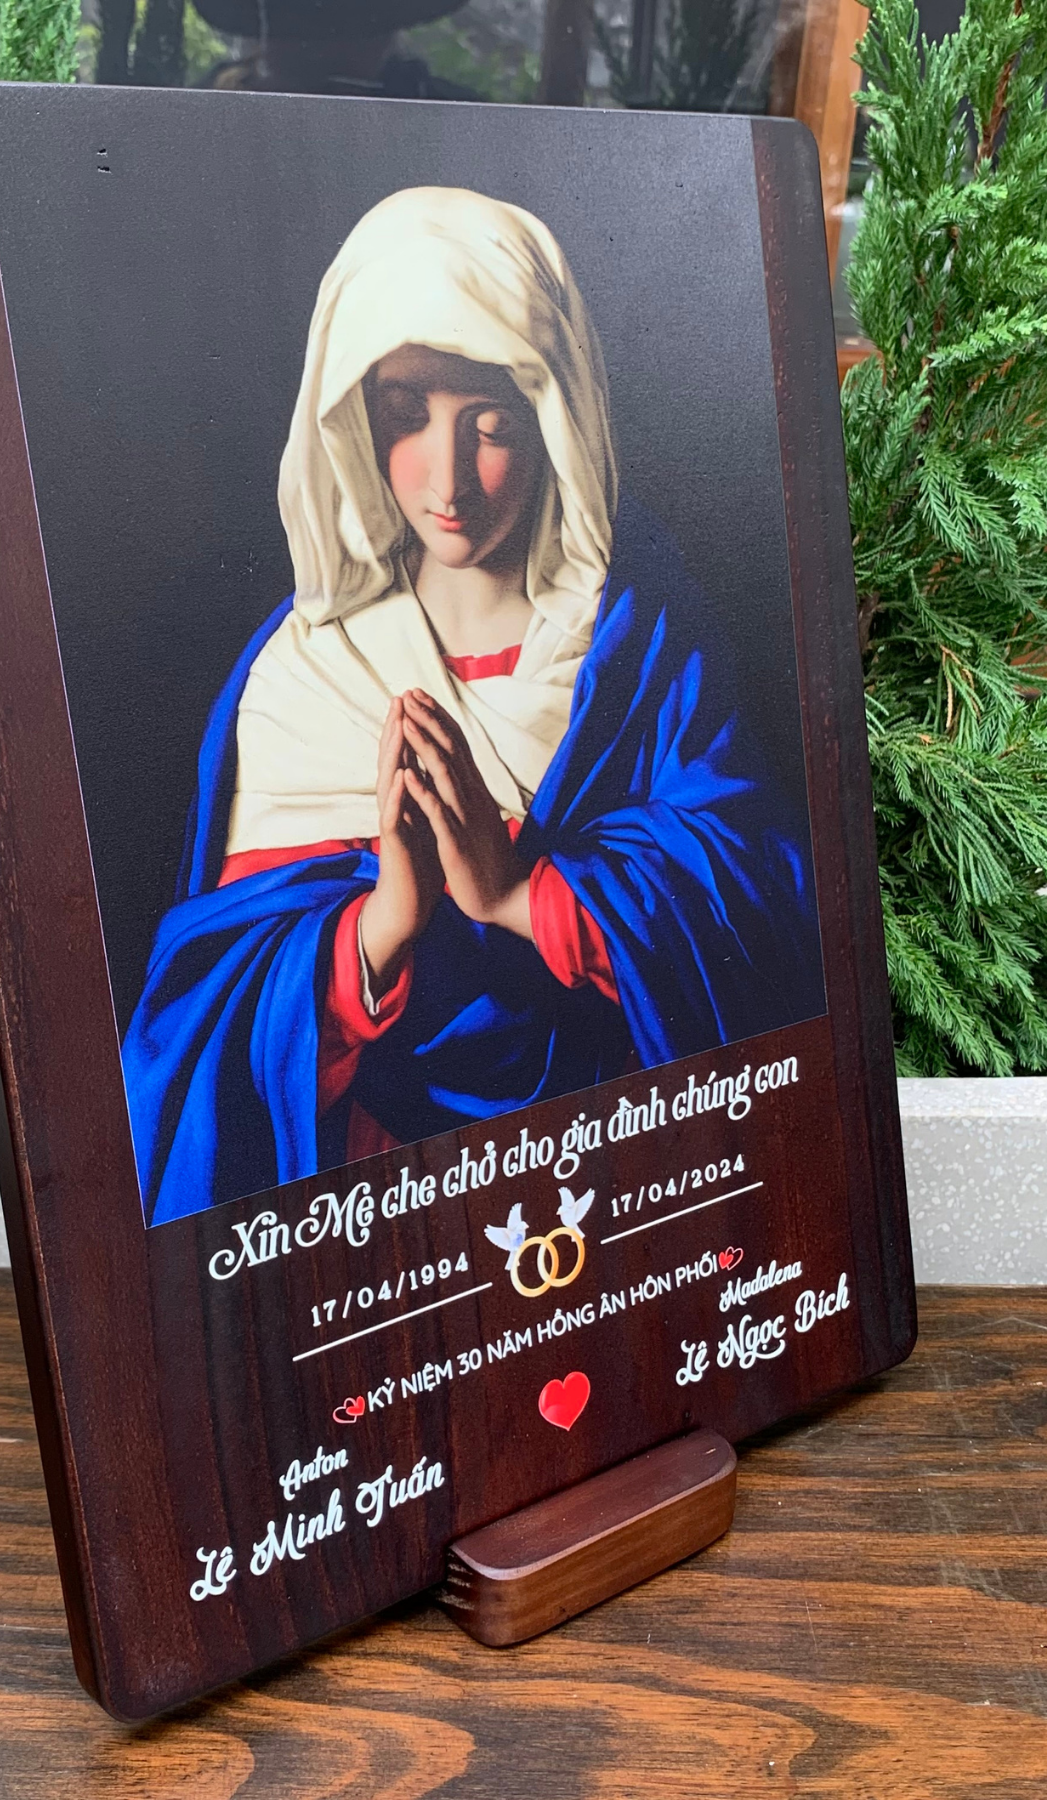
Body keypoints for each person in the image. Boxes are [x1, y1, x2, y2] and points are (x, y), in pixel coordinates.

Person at [125, 187, 822, 1226]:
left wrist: (518, 896)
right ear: (351, 416)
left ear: (555, 419)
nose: (445, 478)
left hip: (615, 1171)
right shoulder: (309, 670)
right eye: (406, 416)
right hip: (382, 1200)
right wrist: (383, 924)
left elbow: (760, 904)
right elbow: (213, 1005)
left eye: (489, 425)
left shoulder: (637, 643)